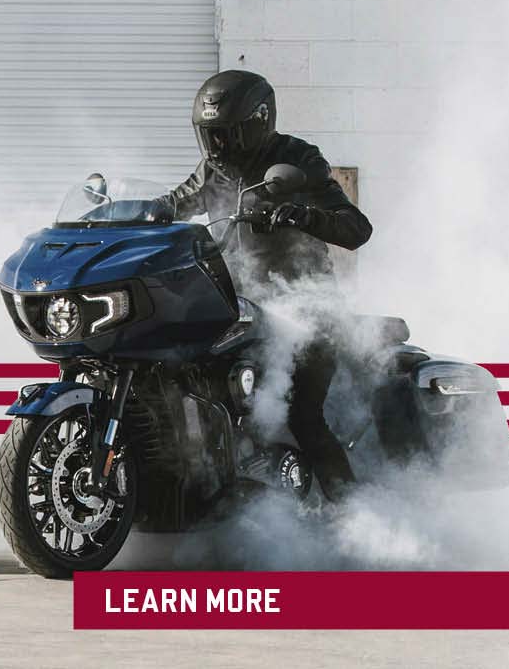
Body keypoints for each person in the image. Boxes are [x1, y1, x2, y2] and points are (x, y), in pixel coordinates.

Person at [156, 69, 373, 502]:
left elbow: (356, 228)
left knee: (302, 414)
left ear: (257, 123)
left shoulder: (299, 160)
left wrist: (300, 214)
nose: (217, 146)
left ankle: (353, 513)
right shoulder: (212, 171)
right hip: (236, 309)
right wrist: (140, 211)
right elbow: (177, 201)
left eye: (226, 135)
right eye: (210, 135)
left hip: (307, 309)